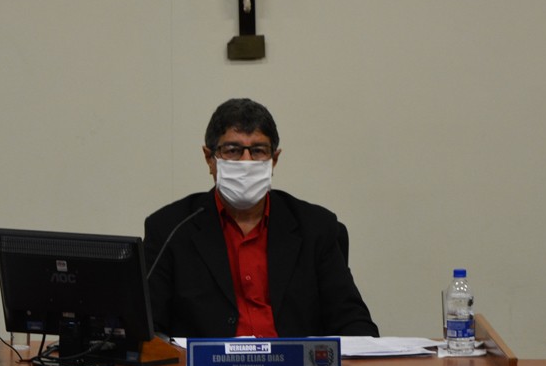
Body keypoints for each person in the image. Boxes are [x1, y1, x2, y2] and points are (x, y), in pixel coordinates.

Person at [144, 98, 379, 339]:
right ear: (209, 158)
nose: (246, 162)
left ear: (274, 160)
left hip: (293, 362)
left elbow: (354, 323)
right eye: (233, 150)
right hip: (207, 363)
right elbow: (148, 329)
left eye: (258, 151)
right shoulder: (170, 229)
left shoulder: (316, 227)